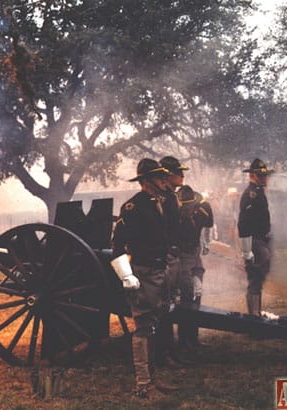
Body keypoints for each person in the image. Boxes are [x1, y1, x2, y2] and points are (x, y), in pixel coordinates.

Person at [110, 158, 180, 399]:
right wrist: (127, 276)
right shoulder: (133, 207)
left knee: (152, 327)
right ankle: (143, 385)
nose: (165, 180)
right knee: (142, 328)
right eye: (160, 177)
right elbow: (117, 246)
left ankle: (153, 380)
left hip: (159, 271)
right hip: (143, 272)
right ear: (147, 180)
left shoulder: (157, 203)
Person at [154, 155, 192, 368]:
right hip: (166, 257)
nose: (182, 176)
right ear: (168, 176)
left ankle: (170, 349)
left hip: (174, 255)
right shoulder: (162, 199)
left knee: (170, 306)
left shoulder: (171, 197)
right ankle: (163, 353)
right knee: (163, 307)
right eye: (179, 172)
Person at [176, 185, 214, 348]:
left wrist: (205, 242)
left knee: (197, 294)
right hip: (181, 255)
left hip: (194, 253)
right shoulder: (173, 211)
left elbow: (206, 226)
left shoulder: (202, 208)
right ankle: (184, 339)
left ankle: (193, 337)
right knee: (186, 295)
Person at [237, 158, 274, 316]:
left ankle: (256, 313)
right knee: (255, 278)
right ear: (252, 175)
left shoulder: (258, 192)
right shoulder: (251, 194)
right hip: (254, 241)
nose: (264, 178)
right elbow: (243, 224)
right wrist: (247, 251)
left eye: (265, 175)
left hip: (261, 239)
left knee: (259, 277)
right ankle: (254, 316)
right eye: (260, 175)